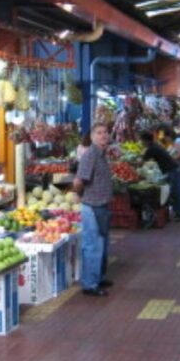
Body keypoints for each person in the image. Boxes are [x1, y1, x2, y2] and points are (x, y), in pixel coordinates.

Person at [73, 122, 114, 297]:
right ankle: (90, 284)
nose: (103, 135)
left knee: (102, 245)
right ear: (92, 136)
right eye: (99, 132)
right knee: (93, 246)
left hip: (102, 206)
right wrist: (80, 196)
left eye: (105, 132)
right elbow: (79, 181)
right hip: (92, 207)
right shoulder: (90, 155)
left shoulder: (102, 154)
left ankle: (98, 277)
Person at [141, 130, 180, 222]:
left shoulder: (151, 149)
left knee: (176, 192)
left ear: (146, 141)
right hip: (175, 168)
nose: (142, 143)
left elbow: (142, 162)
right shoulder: (156, 146)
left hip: (172, 170)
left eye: (142, 141)